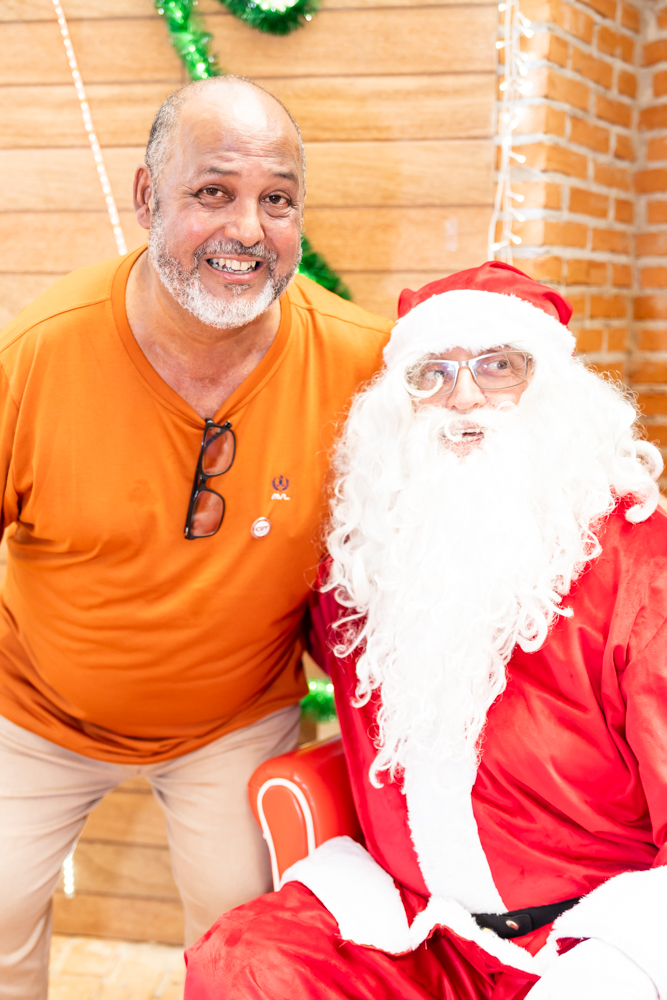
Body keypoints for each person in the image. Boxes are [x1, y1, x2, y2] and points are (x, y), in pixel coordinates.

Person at [0, 75, 392, 998]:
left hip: (235, 723)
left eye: (277, 200)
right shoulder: (37, 353)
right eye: (212, 192)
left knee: (246, 950)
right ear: (147, 197)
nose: (247, 230)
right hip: (33, 714)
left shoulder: (364, 364)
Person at [184, 261, 667, 1000]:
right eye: (431, 374)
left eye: (498, 366)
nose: (463, 396)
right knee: (242, 963)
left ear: (555, 391)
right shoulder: (367, 559)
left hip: (593, 935)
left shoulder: (639, 563)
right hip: (419, 926)